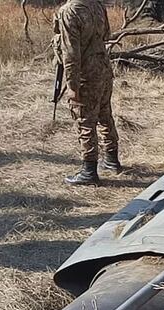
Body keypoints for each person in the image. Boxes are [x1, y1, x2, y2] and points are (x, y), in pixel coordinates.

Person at [53, 0, 122, 186]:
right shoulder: (97, 5)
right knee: (105, 115)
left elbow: (70, 54)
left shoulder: (69, 11)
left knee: (85, 120)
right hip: (103, 69)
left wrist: (72, 85)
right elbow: (106, 35)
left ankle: (89, 171)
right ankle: (111, 160)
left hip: (86, 74)